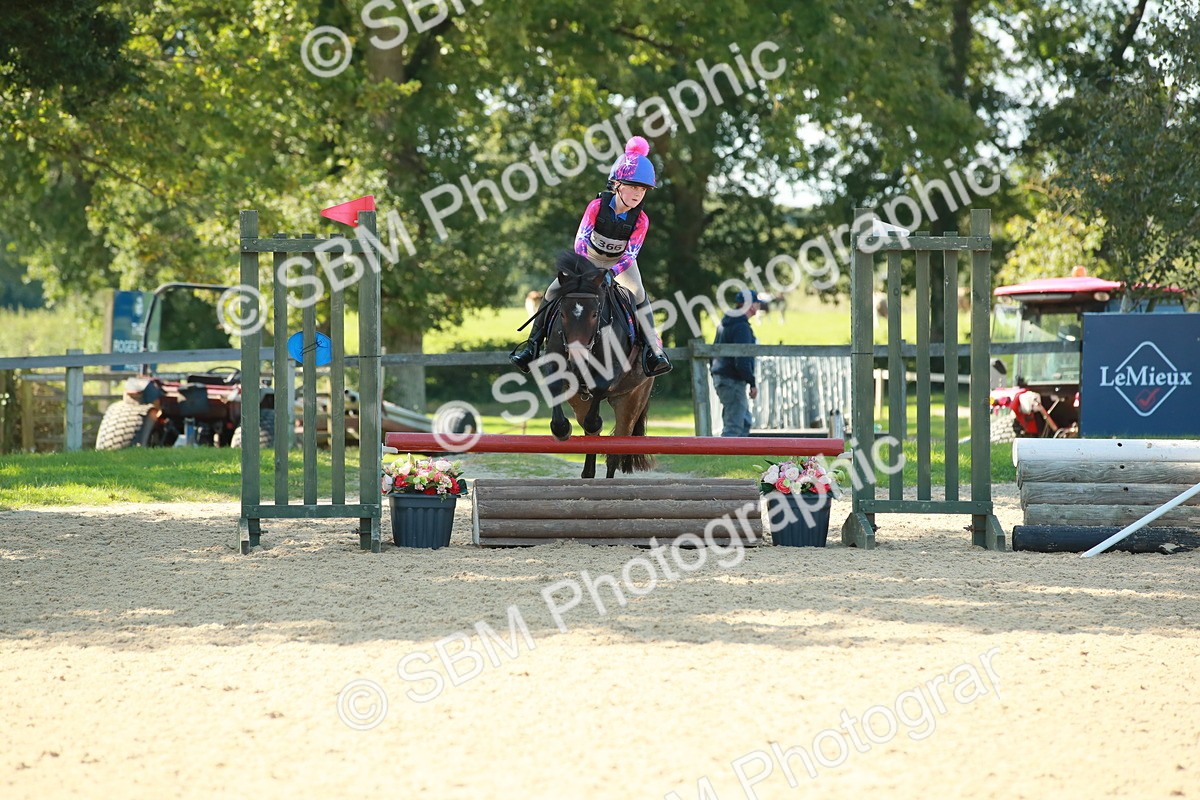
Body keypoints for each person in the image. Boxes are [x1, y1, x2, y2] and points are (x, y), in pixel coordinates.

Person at [510, 135, 672, 377]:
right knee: (553, 290)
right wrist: (588, 271)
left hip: (621, 264)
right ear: (618, 185)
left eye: (643, 189)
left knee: (638, 293)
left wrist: (611, 273)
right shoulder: (596, 207)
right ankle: (532, 345)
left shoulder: (641, 219)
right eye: (633, 187)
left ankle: (653, 350)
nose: (639, 194)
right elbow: (580, 242)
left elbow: (630, 254)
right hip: (589, 259)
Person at [711, 291, 761, 437]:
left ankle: (738, 456)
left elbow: (712, 351)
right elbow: (742, 359)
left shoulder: (725, 323)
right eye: (757, 303)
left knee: (744, 420)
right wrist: (752, 382)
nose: (758, 306)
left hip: (722, 376)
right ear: (751, 306)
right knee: (734, 426)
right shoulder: (742, 327)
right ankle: (725, 457)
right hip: (732, 380)